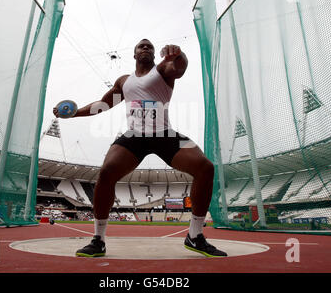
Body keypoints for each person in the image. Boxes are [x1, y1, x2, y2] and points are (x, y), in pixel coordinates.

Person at [53, 39, 227, 258]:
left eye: (149, 47)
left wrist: (178, 54)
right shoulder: (124, 82)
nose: (145, 48)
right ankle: (98, 240)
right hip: (134, 137)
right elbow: (103, 105)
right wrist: (74, 113)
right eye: (141, 46)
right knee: (106, 172)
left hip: (165, 134)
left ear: (155, 55)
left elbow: (179, 68)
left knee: (205, 167)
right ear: (134, 54)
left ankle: (195, 236)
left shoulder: (163, 70)